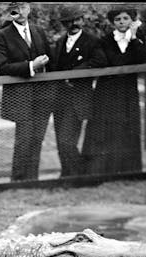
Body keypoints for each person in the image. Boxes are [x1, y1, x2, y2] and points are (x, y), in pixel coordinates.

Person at [82, 6, 146, 175]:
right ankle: (101, 171)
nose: (122, 22)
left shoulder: (138, 39)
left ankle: (128, 171)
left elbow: (142, 59)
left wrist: (133, 37)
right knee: (105, 128)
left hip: (128, 91)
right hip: (107, 92)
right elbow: (115, 61)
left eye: (125, 18)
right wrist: (129, 58)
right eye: (118, 19)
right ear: (112, 22)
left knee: (128, 127)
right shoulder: (104, 41)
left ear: (132, 20)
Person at [0, 1, 54, 182]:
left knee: (36, 140)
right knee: (24, 141)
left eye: (23, 7)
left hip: (42, 97)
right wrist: (31, 66)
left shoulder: (38, 31)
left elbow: (51, 61)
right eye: (15, 8)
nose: (20, 11)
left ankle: (32, 181)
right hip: (21, 99)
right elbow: (3, 67)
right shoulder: (2, 36)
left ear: (29, 9)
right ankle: (18, 182)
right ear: (10, 11)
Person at [52, 6, 107, 177]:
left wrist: (74, 75)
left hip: (78, 99)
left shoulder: (92, 41)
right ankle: (67, 175)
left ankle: (80, 174)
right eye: (68, 21)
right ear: (64, 24)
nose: (73, 24)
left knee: (66, 140)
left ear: (82, 20)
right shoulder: (60, 42)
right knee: (61, 142)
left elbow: (100, 61)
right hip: (59, 99)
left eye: (76, 20)